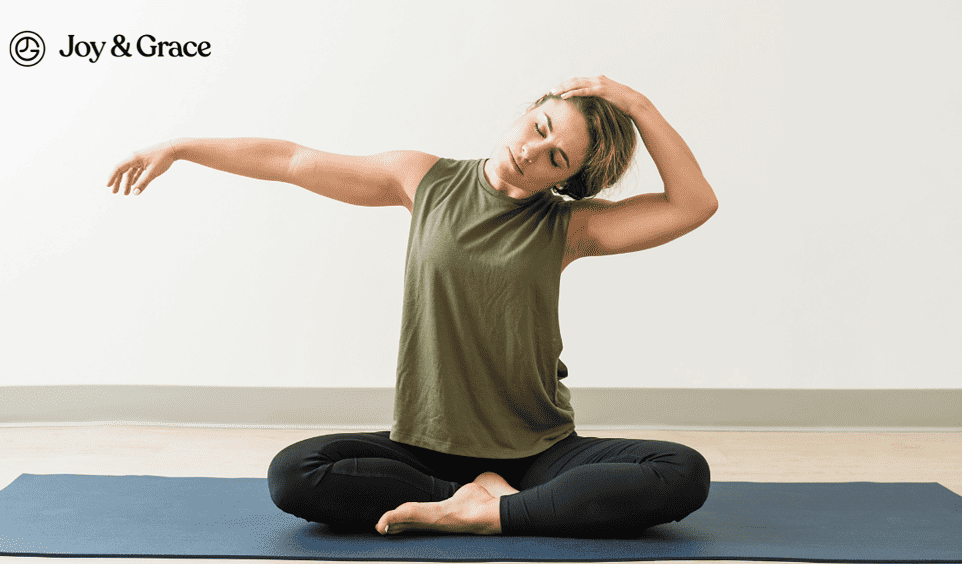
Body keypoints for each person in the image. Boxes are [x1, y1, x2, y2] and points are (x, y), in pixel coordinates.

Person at [107, 75, 718, 538]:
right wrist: (181, 146)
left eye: (557, 157)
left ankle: (491, 510)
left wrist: (635, 103)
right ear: (528, 113)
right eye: (540, 128)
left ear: (568, 179)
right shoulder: (422, 179)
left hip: (538, 451)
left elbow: (693, 204)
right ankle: (469, 495)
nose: (535, 152)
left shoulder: (571, 225)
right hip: (426, 447)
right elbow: (292, 159)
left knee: (682, 472)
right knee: (295, 473)